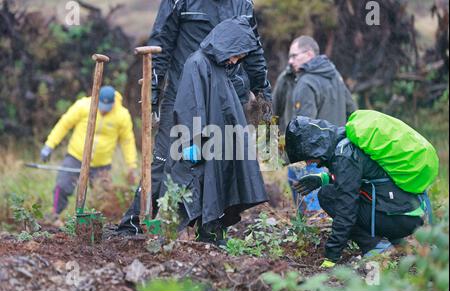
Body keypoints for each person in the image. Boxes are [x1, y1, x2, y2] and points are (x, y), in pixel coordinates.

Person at [117, 0, 272, 234]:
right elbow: (162, 41)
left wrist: (262, 91)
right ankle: (133, 224)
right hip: (185, 93)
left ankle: (211, 229)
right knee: (165, 158)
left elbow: (252, 47)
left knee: (222, 161)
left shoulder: (243, 3)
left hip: (229, 96)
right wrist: (153, 90)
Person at [285, 116, 426, 267]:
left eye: (306, 156)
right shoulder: (346, 142)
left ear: (315, 147)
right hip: (407, 211)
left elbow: (347, 211)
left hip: (400, 218)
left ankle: (375, 246)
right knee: (331, 193)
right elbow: (360, 179)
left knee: (328, 196)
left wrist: (331, 257)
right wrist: (323, 179)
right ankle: (393, 238)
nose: (307, 162)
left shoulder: (344, 156)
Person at [285, 36, 357, 214]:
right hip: (339, 155)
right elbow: (353, 110)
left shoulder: (306, 82)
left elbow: (303, 129)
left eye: (294, 56)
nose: (290, 61)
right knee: (330, 211)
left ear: (309, 54)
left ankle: (308, 237)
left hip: (312, 159)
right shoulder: (335, 75)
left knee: (313, 215)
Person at [40, 86, 138, 215]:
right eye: (101, 106)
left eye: (107, 107)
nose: (104, 110)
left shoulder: (122, 115)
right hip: (76, 157)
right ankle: (54, 214)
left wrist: (131, 165)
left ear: (113, 104)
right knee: (62, 185)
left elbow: (127, 141)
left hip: (101, 165)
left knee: (104, 197)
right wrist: (49, 145)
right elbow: (64, 124)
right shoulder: (83, 106)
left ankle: (102, 223)